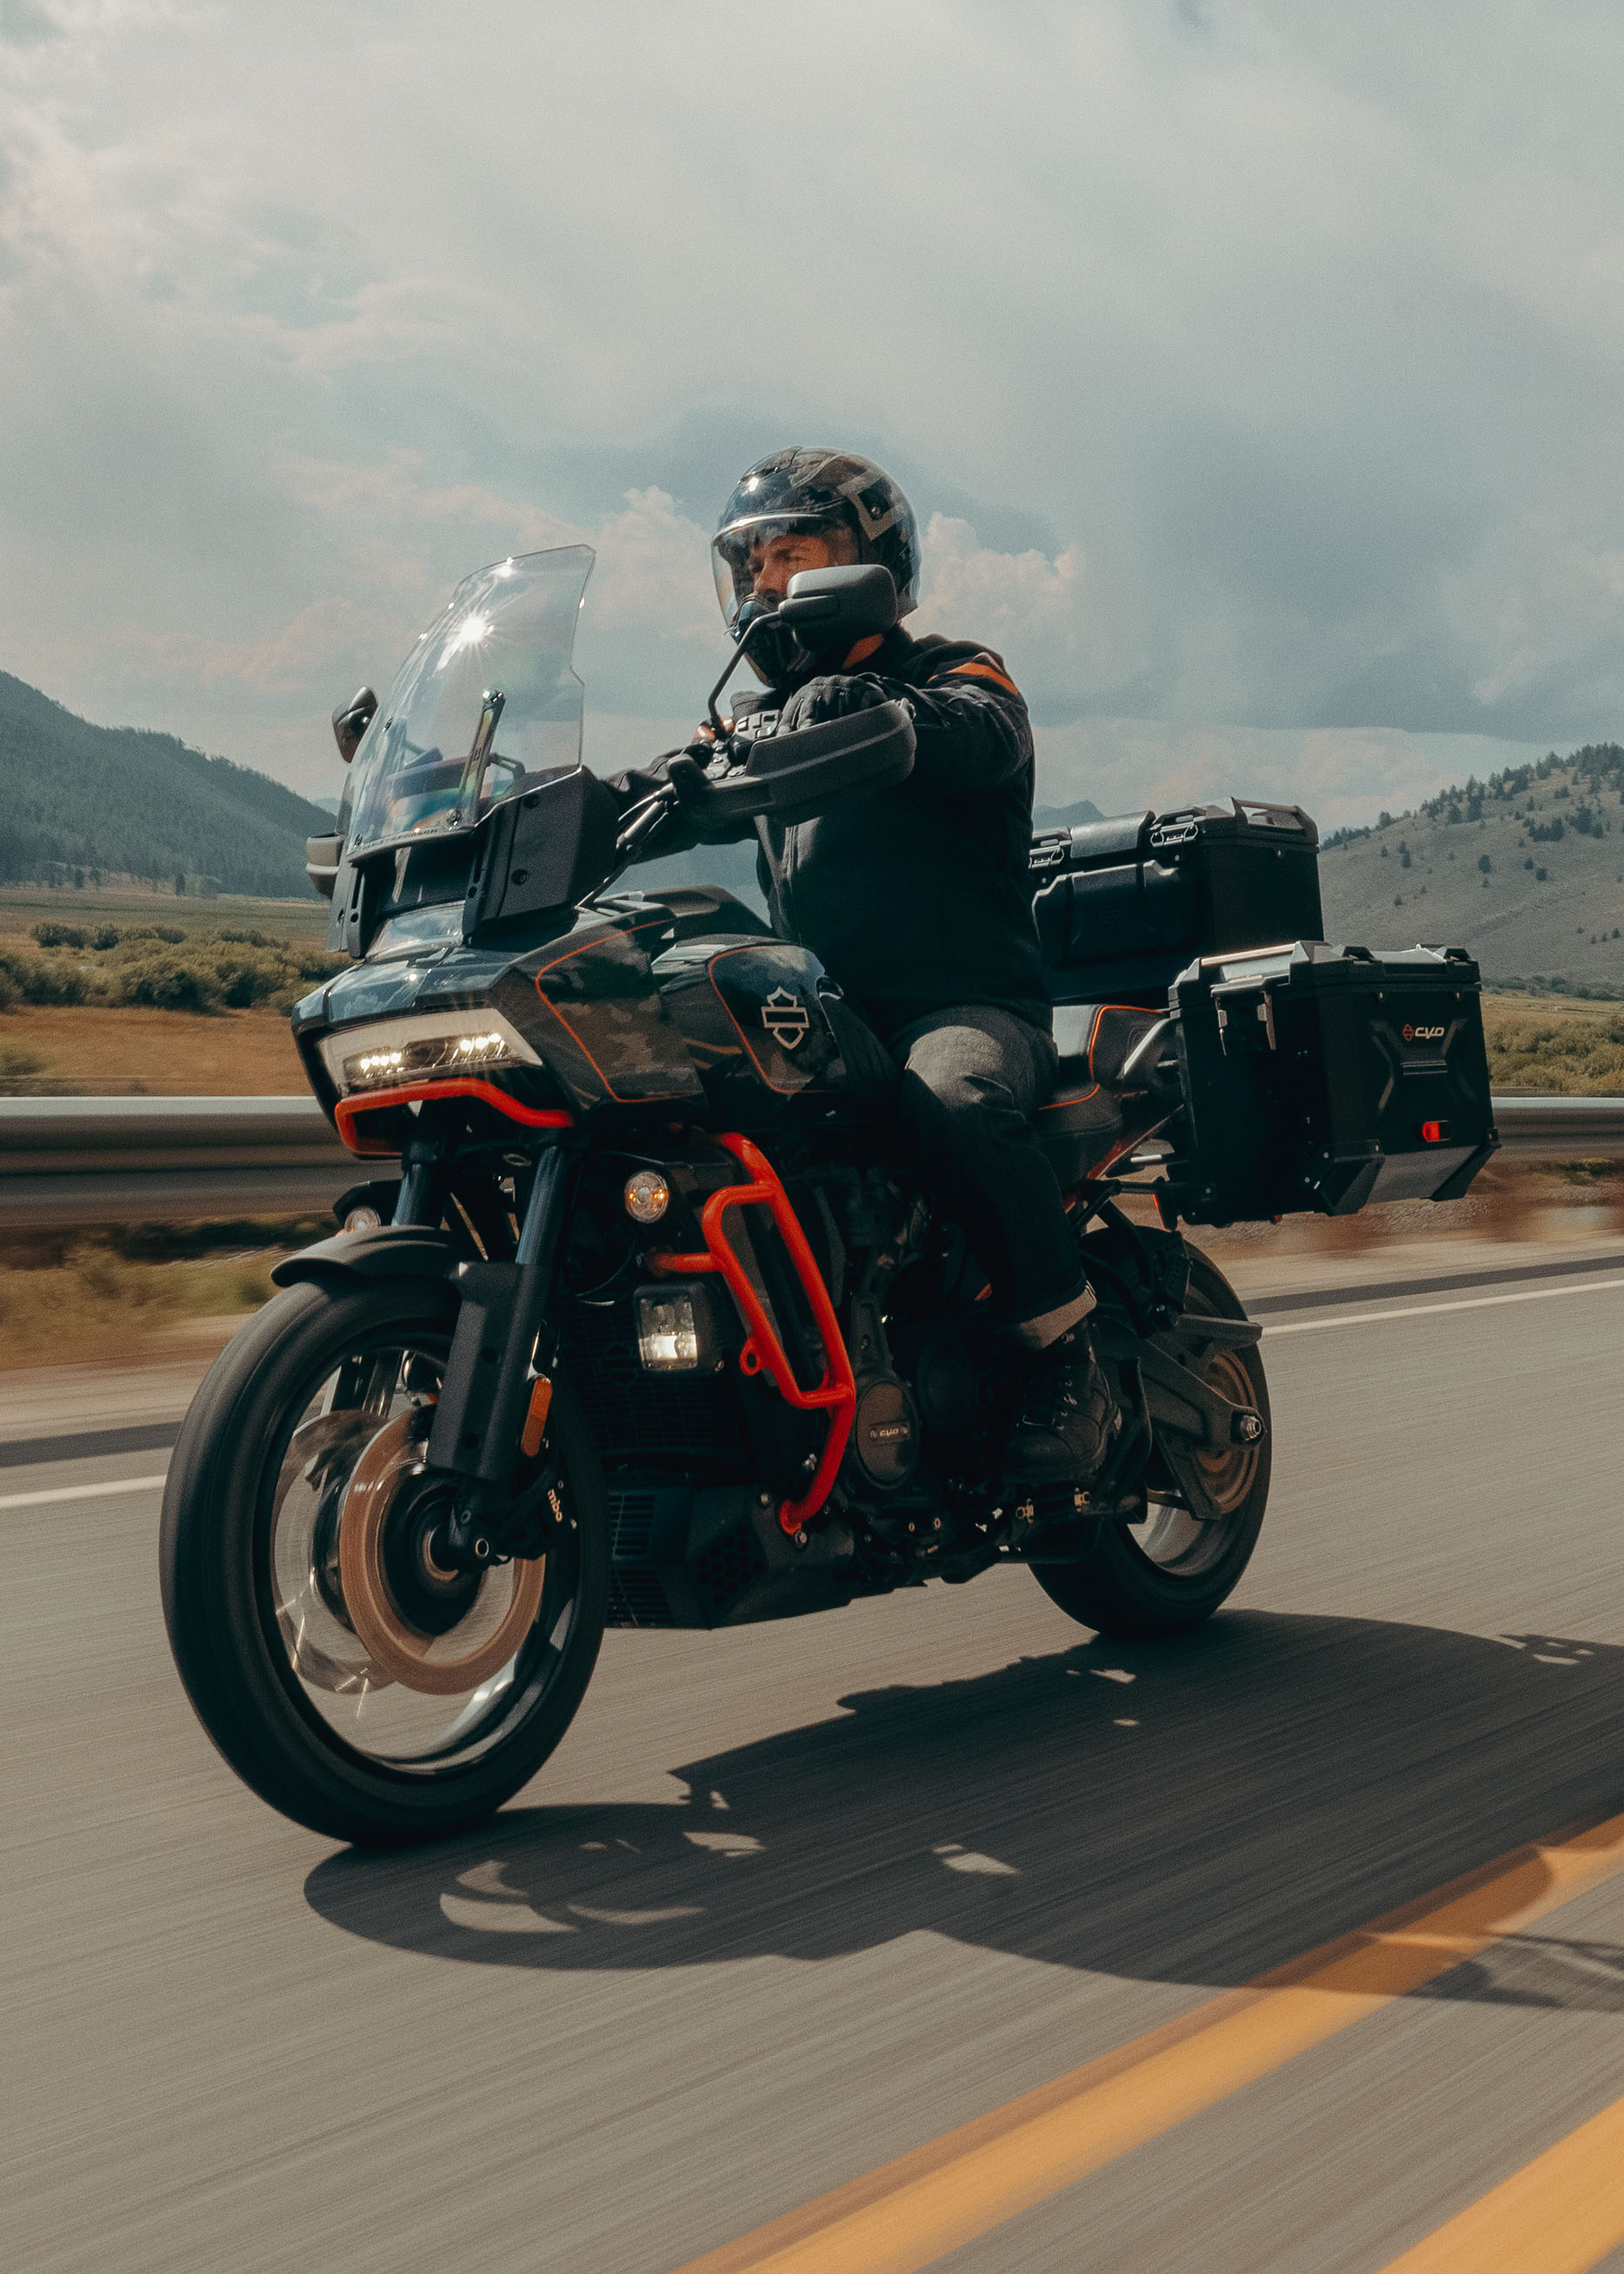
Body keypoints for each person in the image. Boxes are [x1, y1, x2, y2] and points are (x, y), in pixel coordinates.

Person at [616, 447, 1114, 1488]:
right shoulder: (750, 721)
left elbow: (982, 735)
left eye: (790, 556)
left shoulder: (953, 672)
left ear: (867, 564)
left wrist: (874, 709)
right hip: (817, 1018)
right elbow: (667, 783)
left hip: (960, 1007)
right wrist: (524, 817)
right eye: (748, 563)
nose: (763, 586)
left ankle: (1066, 1357)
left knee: (953, 1102)